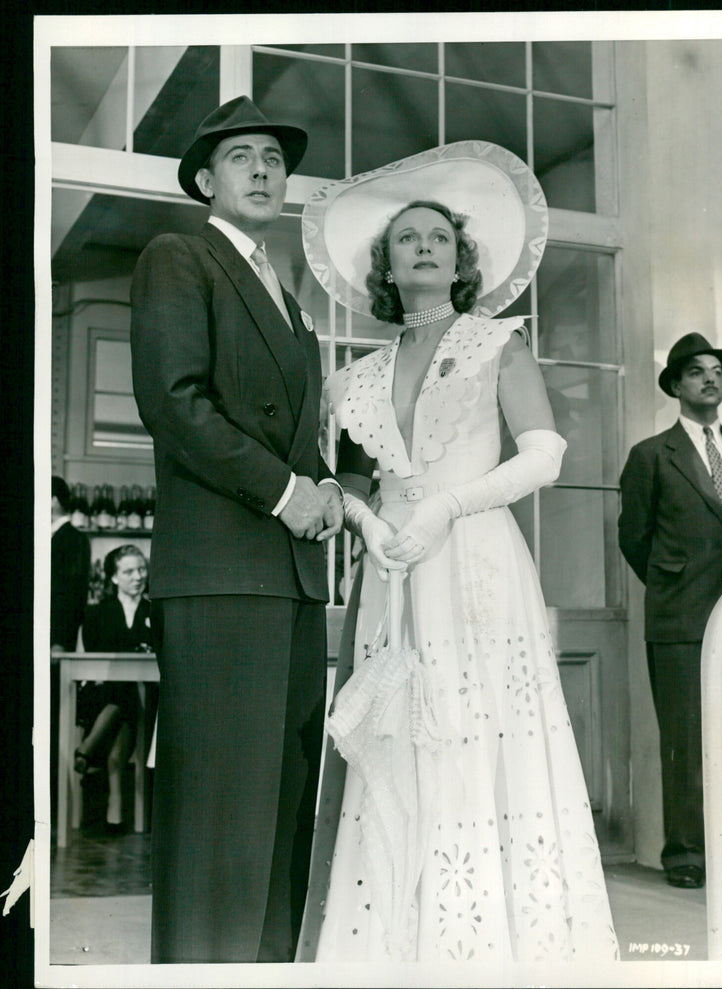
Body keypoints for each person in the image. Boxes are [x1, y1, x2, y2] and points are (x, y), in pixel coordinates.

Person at [298, 142, 619, 963]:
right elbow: (355, 481)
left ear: (463, 258)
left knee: (475, 731)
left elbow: (546, 453)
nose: (427, 245)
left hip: (474, 558)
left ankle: (481, 946)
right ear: (387, 264)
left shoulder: (495, 342)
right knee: (399, 736)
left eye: (441, 235)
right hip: (394, 572)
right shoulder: (354, 378)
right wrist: (370, 525)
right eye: (408, 237)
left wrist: (446, 503)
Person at [130, 95, 342, 963]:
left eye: (275, 159)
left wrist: (325, 481)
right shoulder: (179, 256)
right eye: (243, 157)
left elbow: (302, 435)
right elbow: (175, 405)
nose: (263, 170)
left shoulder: (286, 299)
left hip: (289, 581)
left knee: (278, 810)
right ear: (205, 179)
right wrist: (288, 492)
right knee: (220, 815)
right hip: (221, 576)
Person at [618, 332, 722, 890]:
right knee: (685, 736)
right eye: (697, 372)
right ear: (676, 387)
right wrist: (676, 583)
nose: (711, 378)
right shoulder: (650, 456)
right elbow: (635, 539)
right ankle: (685, 853)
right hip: (680, 616)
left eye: (717, 370)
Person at [76, 545, 153, 833]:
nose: (137, 576)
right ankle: (115, 816)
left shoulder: (154, 610)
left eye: (141, 569)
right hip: (104, 696)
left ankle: (85, 750)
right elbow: (97, 654)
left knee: (129, 694)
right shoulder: (96, 612)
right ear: (113, 577)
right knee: (123, 692)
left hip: (145, 700)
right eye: (129, 571)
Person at [50, 476, 90, 653]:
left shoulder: (74, 539)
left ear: (54, 500)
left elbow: (74, 595)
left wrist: (61, 641)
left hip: (56, 640)